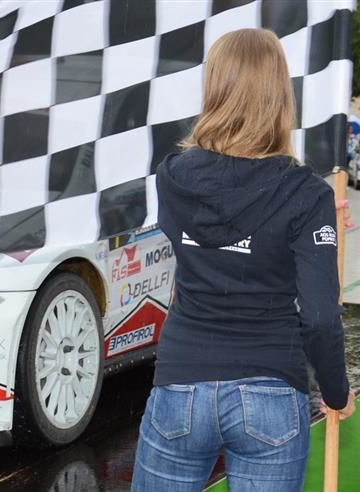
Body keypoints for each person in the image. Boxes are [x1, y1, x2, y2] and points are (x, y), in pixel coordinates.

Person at [131, 29, 356, 491]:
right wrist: (336, 391)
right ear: (279, 96)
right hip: (270, 391)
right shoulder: (305, 194)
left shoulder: (171, 177)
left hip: (180, 385)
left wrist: (318, 216)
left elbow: (220, 228)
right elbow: (318, 316)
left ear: (215, 88)